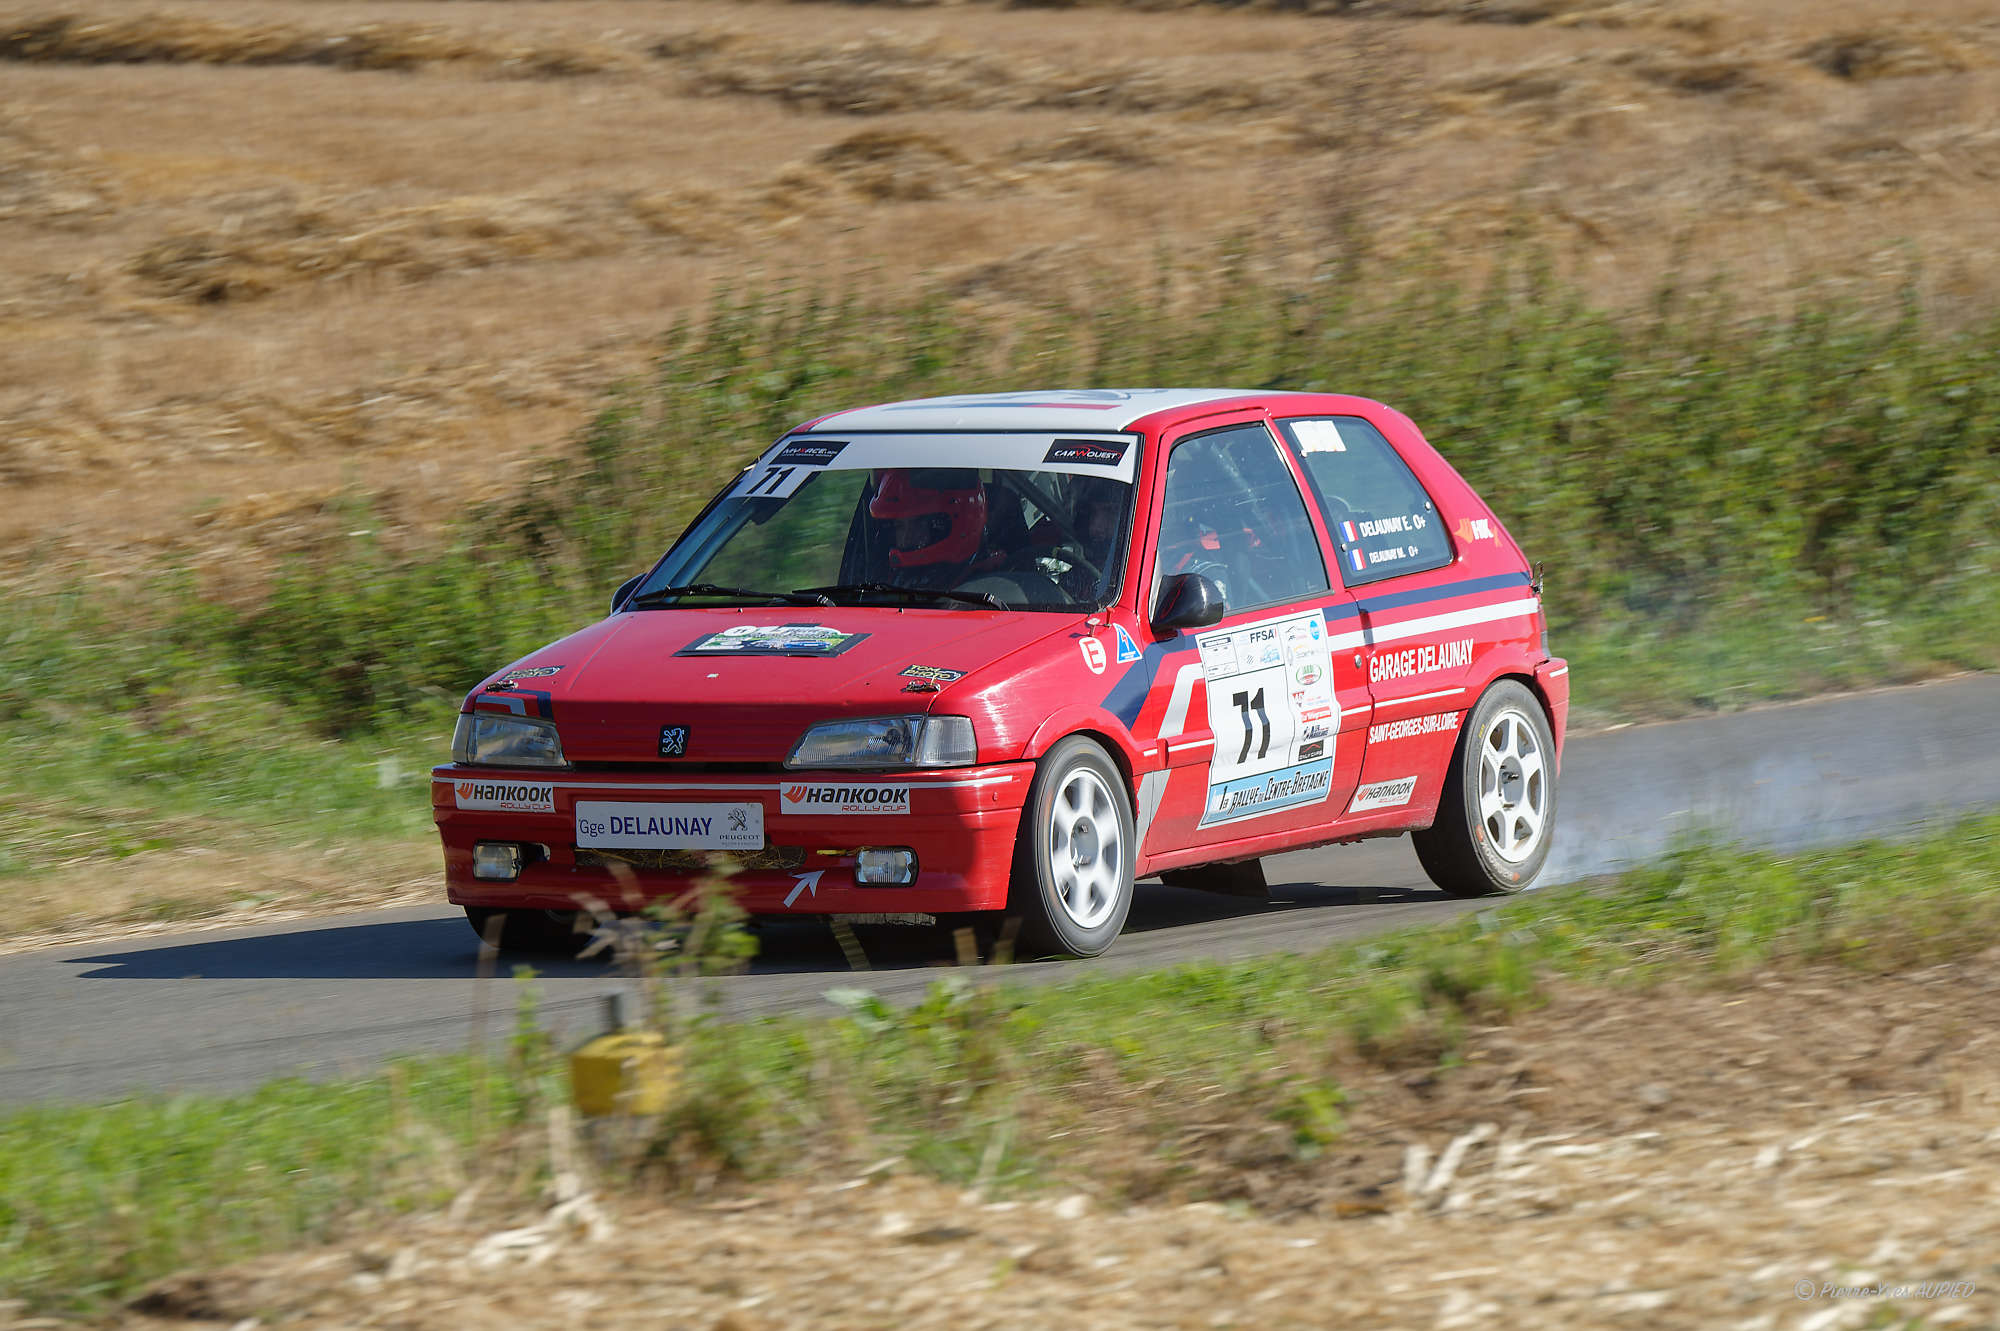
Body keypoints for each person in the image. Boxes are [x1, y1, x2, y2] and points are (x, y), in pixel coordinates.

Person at [867, 469, 989, 589]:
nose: (906, 537)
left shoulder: (985, 586)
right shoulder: (884, 580)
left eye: (917, 523)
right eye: (900, 526)